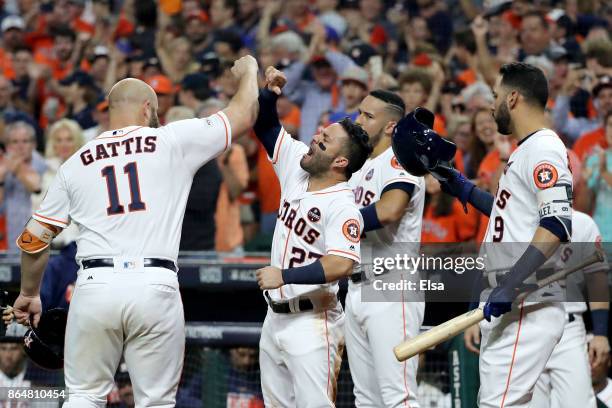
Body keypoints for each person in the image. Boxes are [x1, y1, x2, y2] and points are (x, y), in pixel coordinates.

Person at [11, 55, 260, 407]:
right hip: (154, 285)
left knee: (84, 396)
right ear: (147, 109)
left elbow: (34, 239)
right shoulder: (171, 140)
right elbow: (244, 113)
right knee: (156, 402)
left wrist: (30, 293)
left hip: (95, 286)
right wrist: (249, 70)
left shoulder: (76, 161)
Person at [415, 62, 573, 407]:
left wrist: (513, 282)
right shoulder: (526, 149)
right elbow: (511, 215)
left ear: (513, 98)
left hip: (525, 303)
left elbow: (557, 225)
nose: (492, 104)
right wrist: (465, 189)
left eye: (496, 95)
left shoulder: (544, 148)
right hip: (511, 300)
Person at [255, 66, 372, 407]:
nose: (316, 135)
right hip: (274, 317)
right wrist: (269, 95)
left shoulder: (343, 205)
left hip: (313, 323)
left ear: (339, 160)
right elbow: (266, 127)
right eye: (321, 131)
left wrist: (285, 275)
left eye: (326, 139)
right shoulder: (297, 165)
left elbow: (341, 264)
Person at [465, 210, 608, 408]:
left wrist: (601, 333)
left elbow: (597, 279)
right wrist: (473, 313)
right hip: (523, 322)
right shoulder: (512, 217)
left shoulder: (582, 223)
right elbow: (485, 268)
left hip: (568, 326)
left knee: (579, 403)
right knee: (529, 403)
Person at [345, 88, 426, 406]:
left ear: (391, 125)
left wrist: (339, 222)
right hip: (356, 286)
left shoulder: (402, 160)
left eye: (368, 115)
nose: (358, 120)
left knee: (399, 397)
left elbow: (389, 210)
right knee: (366, 399)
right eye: (359, 112)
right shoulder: (359, 166)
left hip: (391, 284)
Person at [0, 121, 46, 252]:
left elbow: (36, 189)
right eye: (15, 142)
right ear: (7, 146)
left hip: (41, 240)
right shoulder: (3, 168)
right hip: (12, 241)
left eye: (25, 141)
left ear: (34, 144)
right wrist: (1, 179)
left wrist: (17, 170)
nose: (20, 147)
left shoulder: (43, 165)